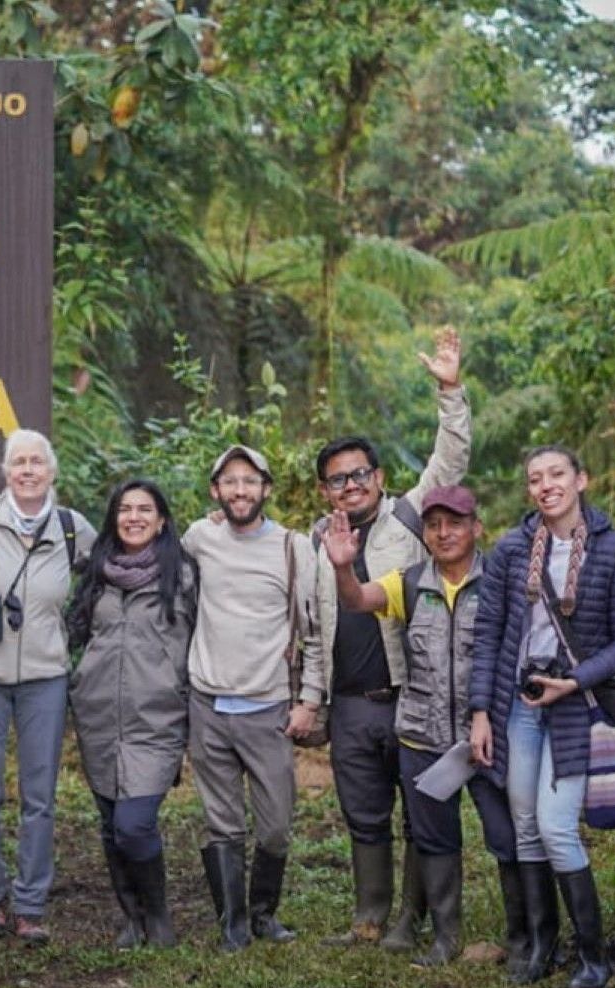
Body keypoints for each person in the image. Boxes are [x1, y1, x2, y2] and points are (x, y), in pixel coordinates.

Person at [311, 325, 471, 949]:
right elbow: (309, 628)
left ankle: (412, 918)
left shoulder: (410, 515)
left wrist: (450, 391)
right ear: (325, 490)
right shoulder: (315, 541)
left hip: (409, 693)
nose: (350, 486)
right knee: (364, 812)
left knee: (420, 807)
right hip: (350, 702)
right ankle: (370, 915)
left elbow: (450, 459)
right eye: (337, 480)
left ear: (378, 477)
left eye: (359, 475)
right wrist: (312, 697)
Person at [467, 445, 615, 988]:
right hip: (519, 703)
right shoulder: (511, 549)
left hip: (574, 704)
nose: (546, 485)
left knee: (555, 825)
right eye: (535, 479)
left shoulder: (611, 549)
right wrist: (480, 711)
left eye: (557, 474)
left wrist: (577, 679)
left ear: (581, 480)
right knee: (524, 822)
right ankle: (543, 945)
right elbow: (489, 633)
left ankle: (593, 957)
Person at [325, 485, 519, 968]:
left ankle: (524, 937)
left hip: (489, 735)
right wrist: (343, 567)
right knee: (434, 836)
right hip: (422, 736)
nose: (443, 532)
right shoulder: (409, 583)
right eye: (433, 525)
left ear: (476, 527)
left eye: (455, 523)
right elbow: (357, 599)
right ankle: (446, 937)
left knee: (507, 834)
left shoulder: (501, 581)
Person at [0, 430, 94, 944]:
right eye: (19, 462)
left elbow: (118, 564)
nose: (28, 470)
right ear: (5, 470)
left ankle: (31, 904)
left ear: (51, 471)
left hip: (46, 677)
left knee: (40, 795)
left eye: (37, 462)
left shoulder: (72, 529)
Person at [182, 444, 325, 952]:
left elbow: (314, 631)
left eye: (249, 481)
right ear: (215, 491)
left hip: (268, 708)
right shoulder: (199, 538)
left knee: (276, 827)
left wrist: (309, 700)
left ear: (266, 488)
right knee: (221, 823)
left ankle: (263, 912)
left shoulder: (293, 548)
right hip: (208, 704)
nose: (240, 490)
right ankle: (233, 924)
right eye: (230, 481)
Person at [65, 479, 197, 949]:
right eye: (125, 509)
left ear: (161, 521)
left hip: (157, 719)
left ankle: (157, 915)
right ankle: (131, 917)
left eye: (145, 509)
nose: (134, 517)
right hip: (99, 717)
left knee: (134, 824)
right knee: (110, 824)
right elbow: (75, 632)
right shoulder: (96, 572)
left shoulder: (184, 575)